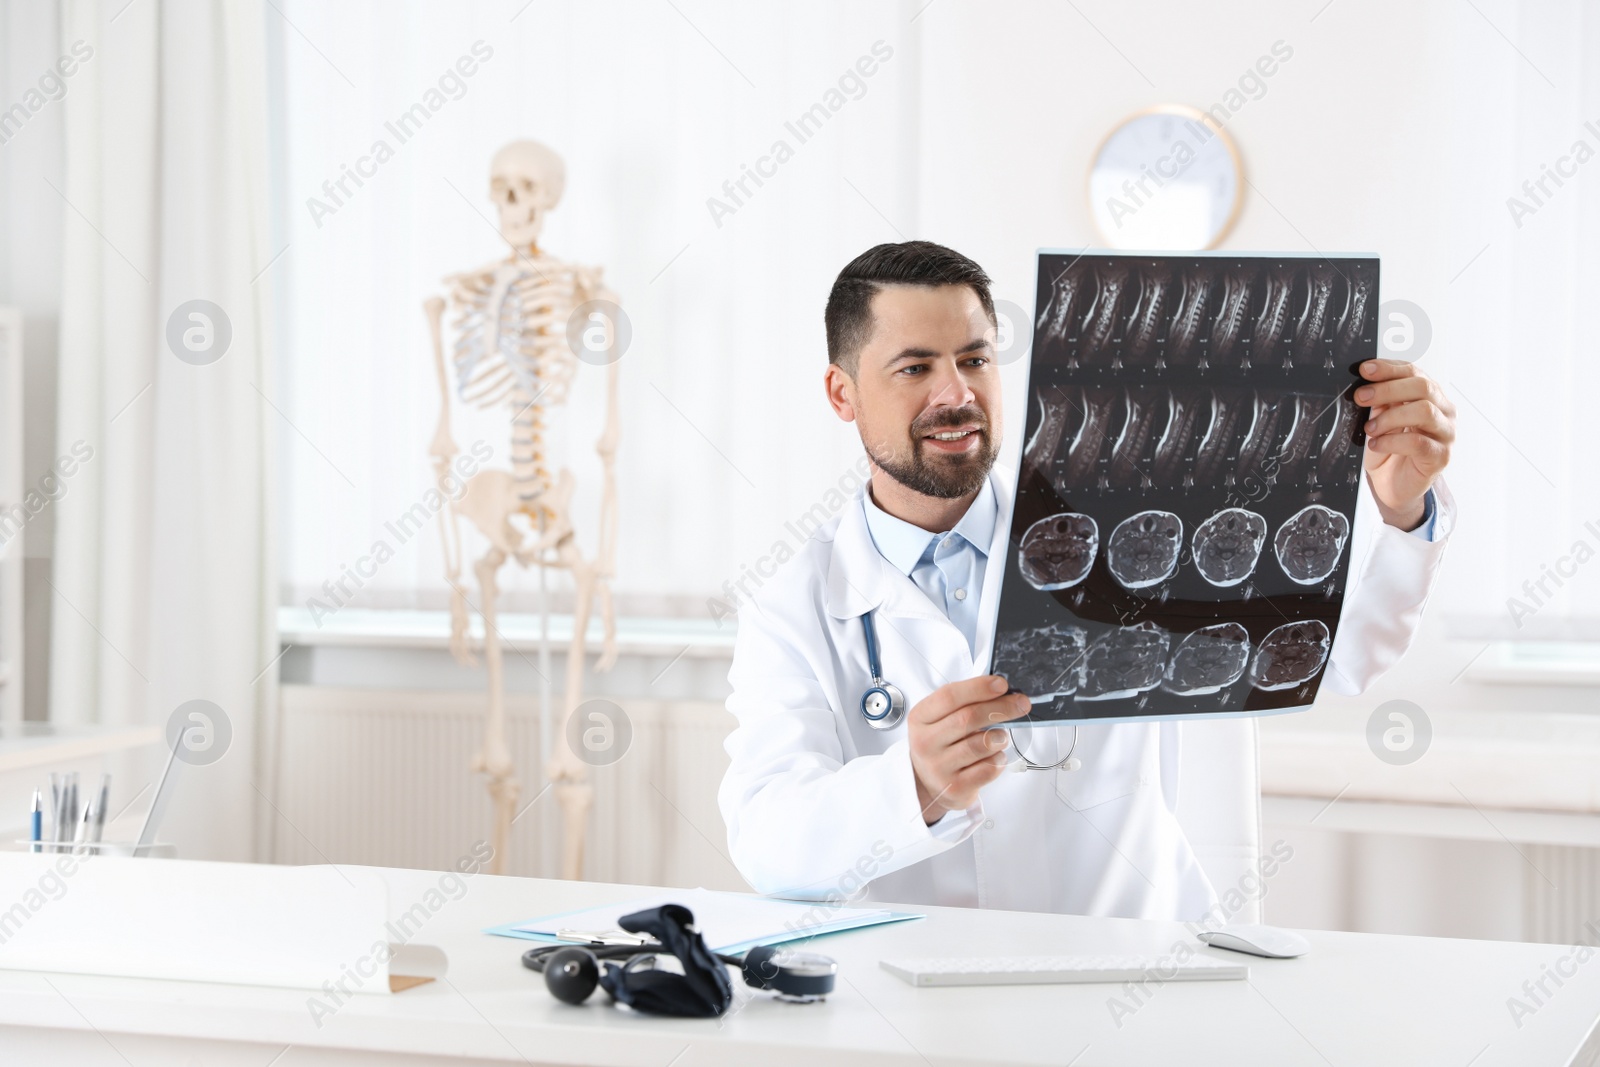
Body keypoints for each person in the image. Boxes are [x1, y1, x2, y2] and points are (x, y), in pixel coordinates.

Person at [717, 241, 1455, 917]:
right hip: (914, 1005)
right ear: (841, 393)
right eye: (915, 368)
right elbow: (768, 840)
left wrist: (1399, 504)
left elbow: (1328, 655)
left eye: (974, 360)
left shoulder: (1122, 536)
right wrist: (910, 783)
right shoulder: (794, 605)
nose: (956, 393)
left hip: (1120, 985)